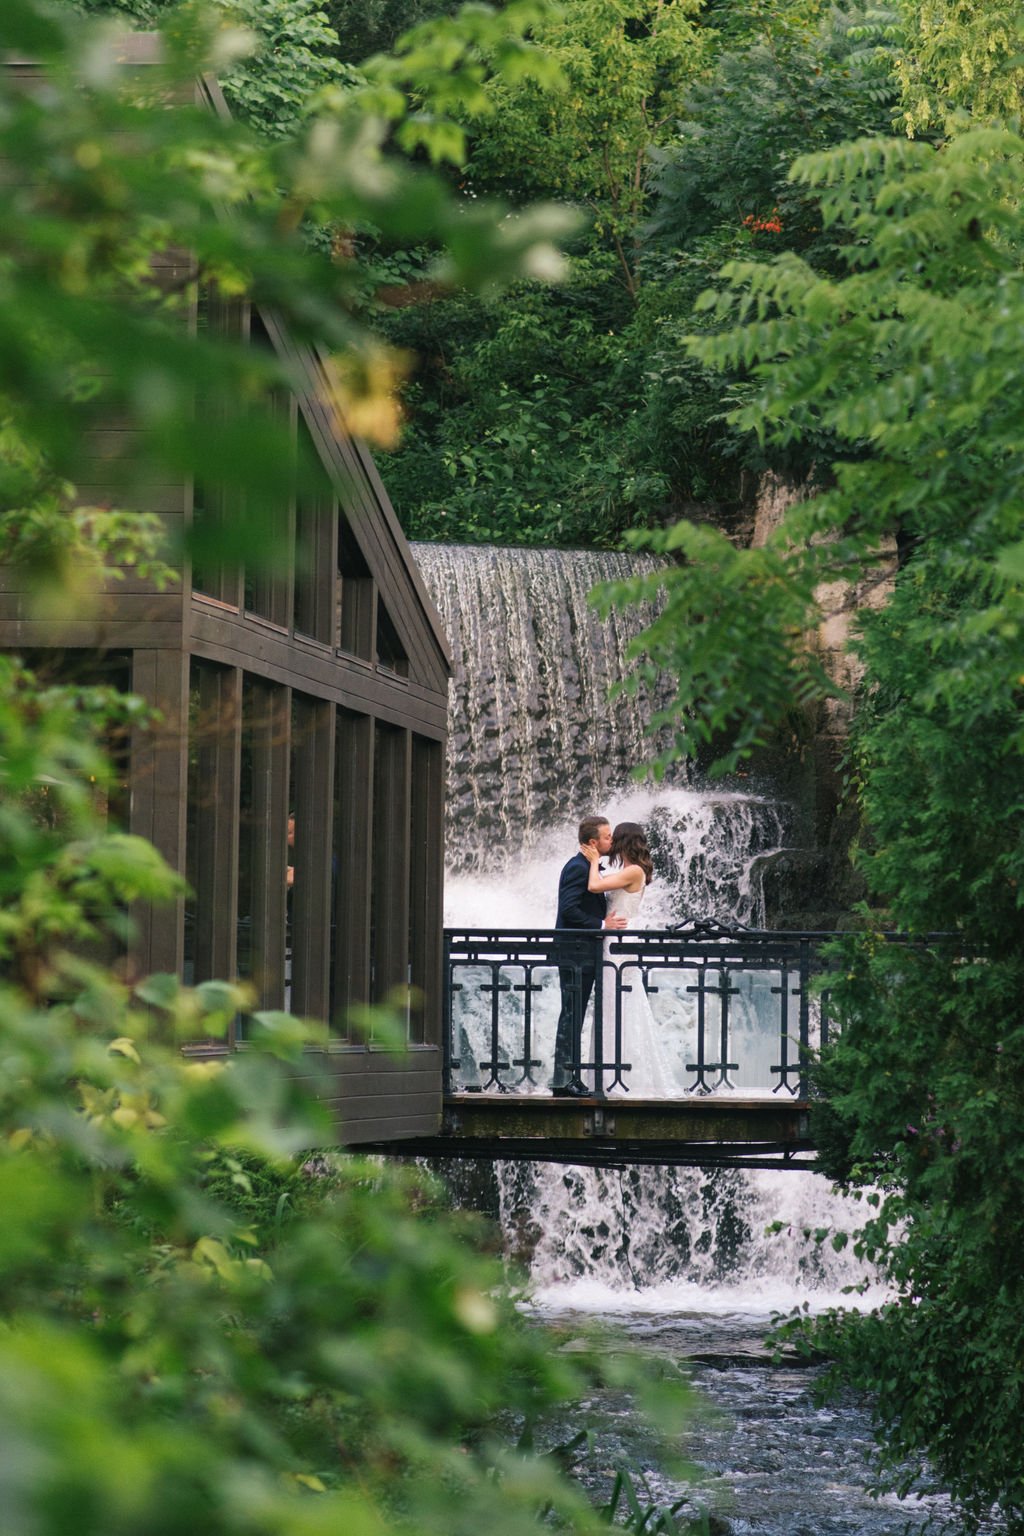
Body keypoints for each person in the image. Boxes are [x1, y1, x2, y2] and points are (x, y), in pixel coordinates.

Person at [580, 821, 680, 1097]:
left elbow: (593, 886)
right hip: (615, 938)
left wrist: (592, 861)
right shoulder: (628, 870)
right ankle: (608, 1075)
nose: (610, 843)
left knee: (620, 1003)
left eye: (614, 838)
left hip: (620, 941)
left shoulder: (633, 871)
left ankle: (624, 1078)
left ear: (624, 842)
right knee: (611, 1004)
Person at [551, 815, 627, 1096]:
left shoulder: (587, 866)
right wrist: (601, 925)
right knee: (571, 1016)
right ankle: (563, 1080)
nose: (612, 840)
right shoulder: (577, 868)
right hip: (575, 954)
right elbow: (568, 909)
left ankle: (567, 1079)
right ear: (593, 842)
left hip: (582, 953)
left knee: (574, 1015)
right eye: (608, 837)